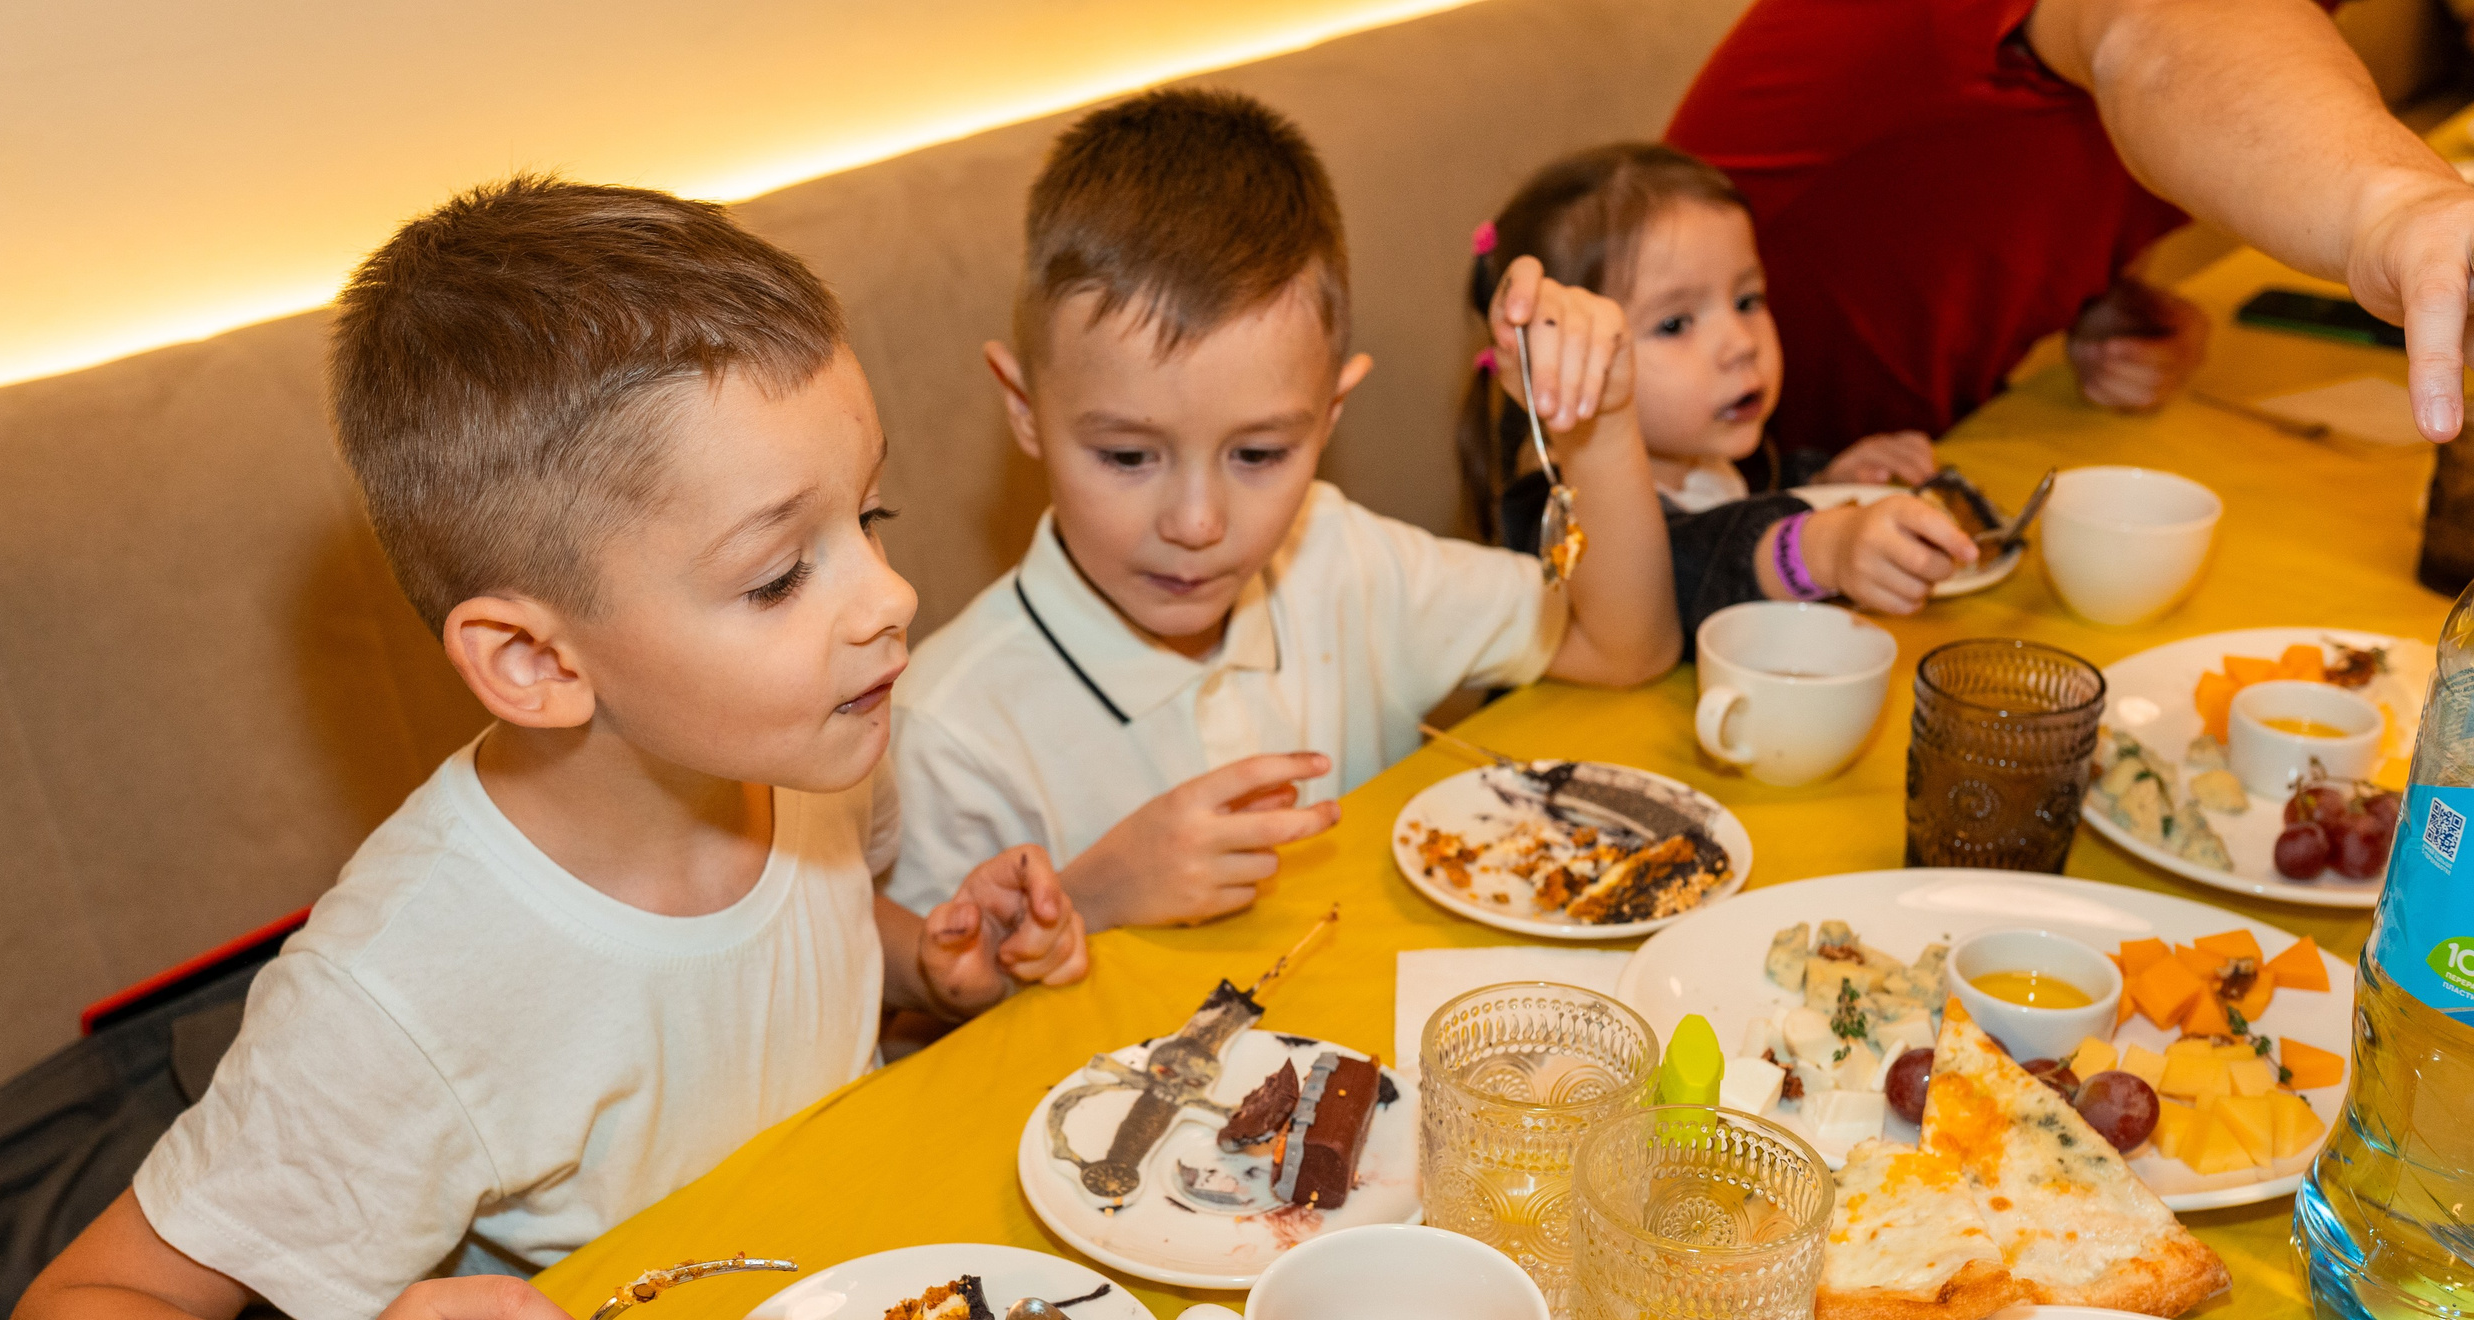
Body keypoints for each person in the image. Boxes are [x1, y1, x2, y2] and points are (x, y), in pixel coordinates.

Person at [0, 179, 1088, 1320]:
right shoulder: (408, 984)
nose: (890, 596)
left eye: (869, 519)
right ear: (532, 660)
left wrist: (927, 963)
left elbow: (800, 943)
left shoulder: (802, 741)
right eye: (779, 574)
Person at [887, 90, 1685, 932]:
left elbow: (1624, 643)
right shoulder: (950, 731)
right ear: (1023, 408)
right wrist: (1089, 902)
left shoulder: (1340, 559)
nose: (1197, 523)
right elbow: (917, 1027)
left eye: (1259, 455)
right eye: (1127, 456)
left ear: (1330, 416)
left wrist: (1595, 422)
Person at [1665, 0, 2474, 453]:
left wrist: (2103, 299)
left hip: (1904, 469)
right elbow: (2156, 31)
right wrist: (2396, 210)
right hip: (1701, 492)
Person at [1461, 143, 1980, 621]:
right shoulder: (1553, 505)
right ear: (1563, 359)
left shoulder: (1697, 450)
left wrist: (1826, 484)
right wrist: (1822, 548)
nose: (1741, 343)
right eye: (1674, 324)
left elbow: (1743, 504)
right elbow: (1682, 575)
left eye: (1747, 301)